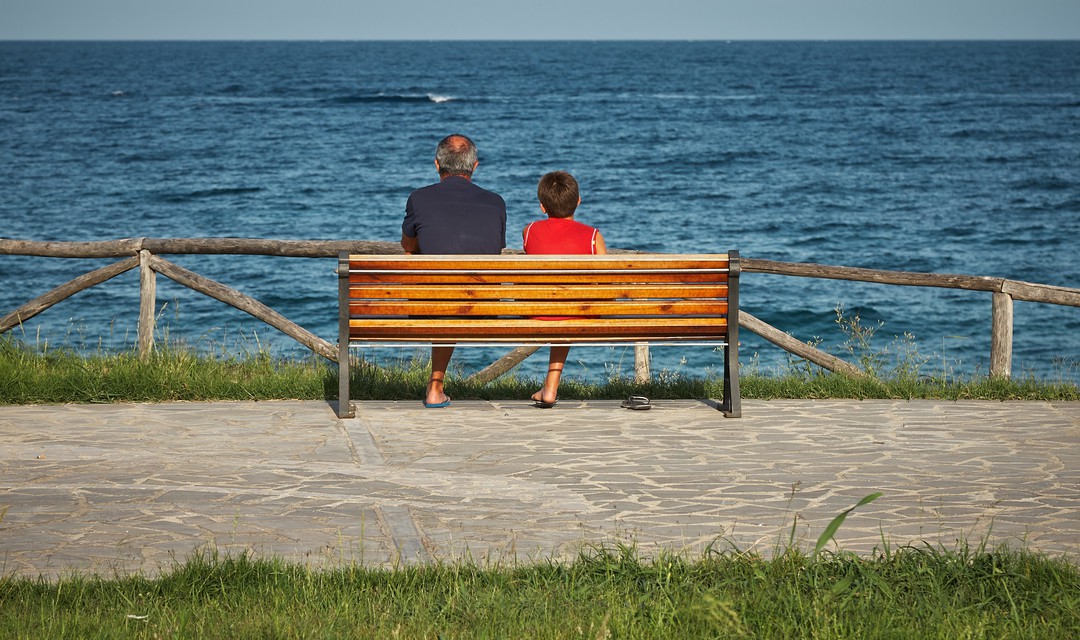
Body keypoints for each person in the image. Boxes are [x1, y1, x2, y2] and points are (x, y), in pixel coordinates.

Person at [401, 134, 507, 408]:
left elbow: (408, 245)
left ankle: (435, 387)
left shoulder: (419, 198)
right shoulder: (496, 202)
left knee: (441, 291)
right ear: (475, 166)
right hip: (482, 305)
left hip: (432, 303)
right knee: (453, 290)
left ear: (437, 165)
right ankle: (435, 388)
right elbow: (494, 248)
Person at [521, 171, 607, 408]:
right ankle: (551, 386)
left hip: (537, 310)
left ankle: (550, 387)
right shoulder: (593, 237)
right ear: (578, 202)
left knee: (560, 306)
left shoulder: (529, 231)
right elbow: (606, 282)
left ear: (542, 206)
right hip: (577, 312)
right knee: (568, 308)